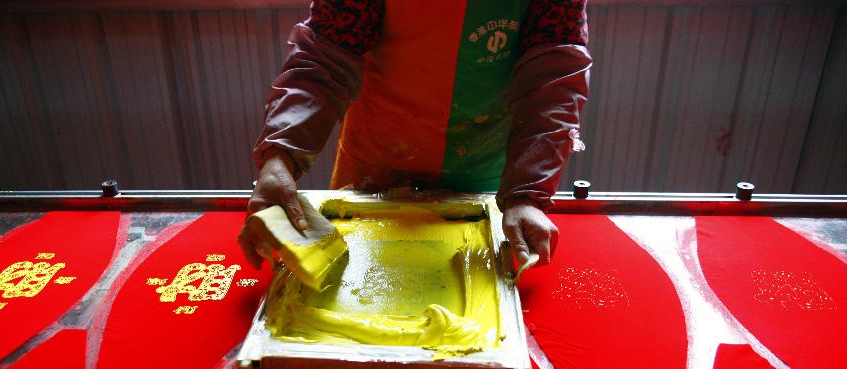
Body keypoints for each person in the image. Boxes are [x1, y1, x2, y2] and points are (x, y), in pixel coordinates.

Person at [239, 0, 590, 272]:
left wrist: (527, 195)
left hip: (487, 180)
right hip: (375, 171)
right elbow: (324, 57)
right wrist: (279, 157)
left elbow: (551, 80)